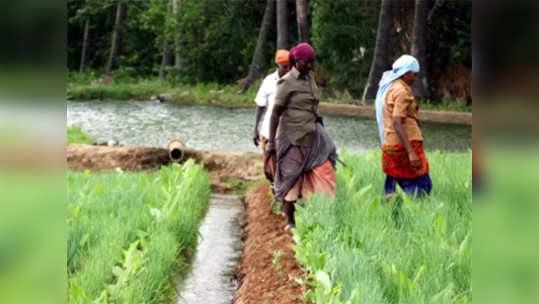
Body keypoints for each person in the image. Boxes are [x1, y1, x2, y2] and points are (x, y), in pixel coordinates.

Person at [265, 43, 337, 230]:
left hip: (312, 136)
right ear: (297, 62)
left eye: (312, 62)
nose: (310, 66)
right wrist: (270, 142)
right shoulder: (286, 82)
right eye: (307, 62)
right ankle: (290, 221)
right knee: (292, 179)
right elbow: (275, 114)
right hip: (292, 138)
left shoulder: (310, 78)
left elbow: (312, 108)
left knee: (325, 169)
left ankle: (322, 215)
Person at [375, 55, 432, 197]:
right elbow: (397, 122)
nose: (415, 78)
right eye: (414, 74)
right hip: (404, 145)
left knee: (394, 179)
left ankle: (391, 209)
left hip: (391, 145)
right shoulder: (401, 91)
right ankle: (403, 205)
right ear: (405, 73)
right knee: (423, 185)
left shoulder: (391, 87)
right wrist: (411, 152)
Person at [253, 49, 290, 183]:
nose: (287, 69)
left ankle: (283, 197)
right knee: (270, 169)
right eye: (284, 66)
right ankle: (276, 192)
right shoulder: (269, 81)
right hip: (269, 133)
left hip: (288, 134)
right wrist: (255, 128)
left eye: (289, 66)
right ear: (278, 65)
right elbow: (260, 105)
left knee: (285, 169)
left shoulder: (295, 81)